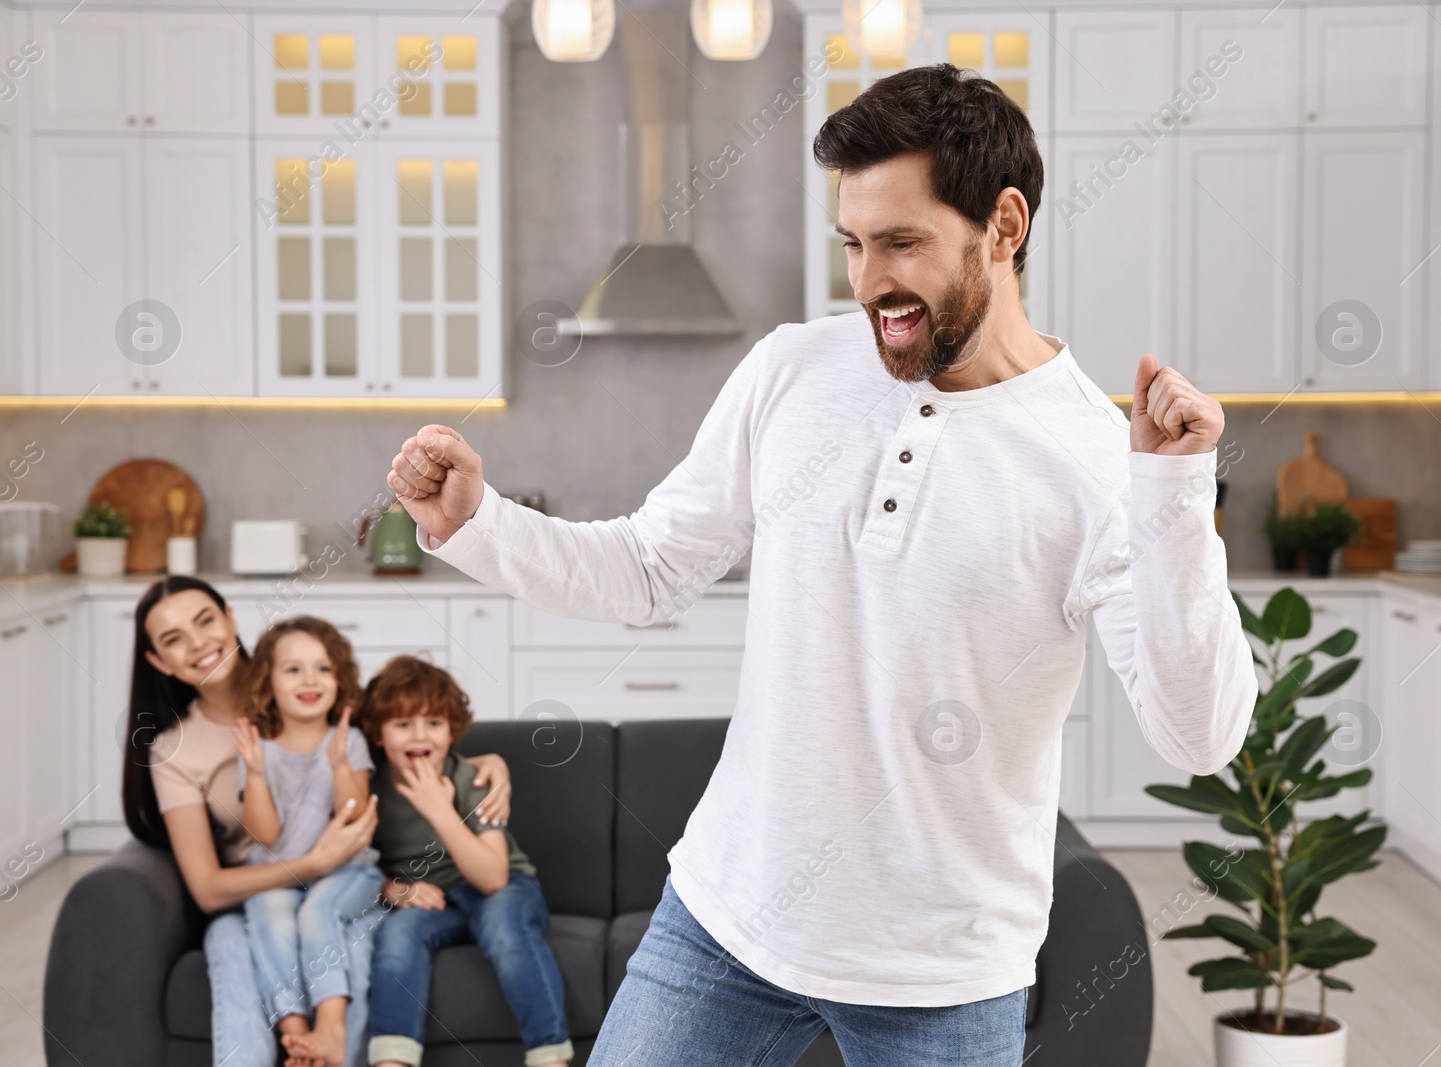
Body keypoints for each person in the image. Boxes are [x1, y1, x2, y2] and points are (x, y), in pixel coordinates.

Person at [386, 63, 1257, 1067]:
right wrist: (473, 520)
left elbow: (1197, 734)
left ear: (1004, 226)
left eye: (901, 242)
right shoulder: (791, 371)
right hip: (725, 918)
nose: (868, 280)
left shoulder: (1100, 463)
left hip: (943, 970)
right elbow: (647, 567)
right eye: (852, 242)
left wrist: (1176, 497)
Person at [121, 576, 518, 1067]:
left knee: (338, 933)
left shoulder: (313, 696)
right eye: (173, 638)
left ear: (230, 618)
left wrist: (488, 764)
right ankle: (295, 1044)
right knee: (229, 946)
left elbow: (413, 737)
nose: (199, 643)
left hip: (346, 884)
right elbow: (207, 888)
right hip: (253, 894)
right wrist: (312, 862)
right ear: (159, 662)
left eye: (205, 621)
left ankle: (329, 1043)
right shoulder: (173, 751)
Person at [358, 656, 572, 1067]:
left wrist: (441, 809)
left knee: (505, 931)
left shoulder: (469, 779)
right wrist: (396, 889)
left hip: (504, 888)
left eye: (434, 724)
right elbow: (364, 864)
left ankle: (550, 1058)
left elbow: (493, 877)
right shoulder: (372, 787)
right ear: (380, 735)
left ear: (451, 731)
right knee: (397, 938)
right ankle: (392, 1060)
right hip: (436, 903)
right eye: (403, 724)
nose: (420, 736)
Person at [232, 617, 384, 1067]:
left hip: (348, 872)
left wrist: (339, 766)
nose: (310, 680)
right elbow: (265, 835)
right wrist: (256, 774)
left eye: (323, 668)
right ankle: (297, 1033)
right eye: (293, 669)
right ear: (268, 681)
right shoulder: (258, 748)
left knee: (318, 912)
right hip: (280, 877)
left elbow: (353, 817)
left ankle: (331, 1027)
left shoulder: (349, 740)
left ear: (340, 680)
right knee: (266, 910)